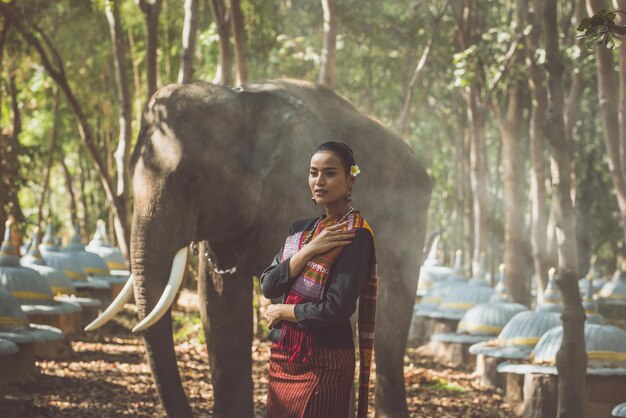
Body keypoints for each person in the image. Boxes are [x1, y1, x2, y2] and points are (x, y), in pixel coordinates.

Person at [260, 141, 377, 418]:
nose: (319, 181)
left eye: (330, 173)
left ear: (350, 179)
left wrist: (284, 311)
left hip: (325, 362)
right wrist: (311, 249)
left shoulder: (355, 235)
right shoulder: (300, 231)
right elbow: (269, 285)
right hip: (283, 357)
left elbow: (336, 309)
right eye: (313, 173)